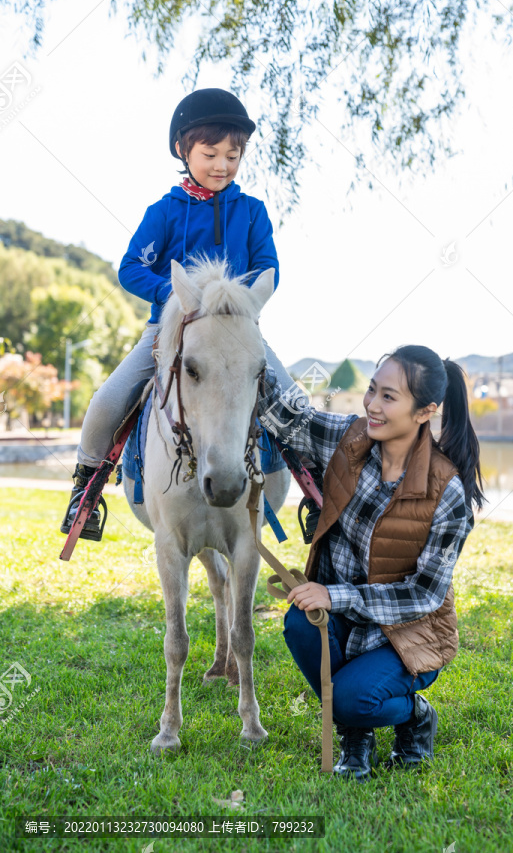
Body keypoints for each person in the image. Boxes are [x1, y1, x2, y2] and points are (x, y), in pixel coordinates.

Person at [60, 88, 293, 540]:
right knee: (108, 400)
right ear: (183, 150)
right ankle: (85, 495)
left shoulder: (253, 212)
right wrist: (175, 295)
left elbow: (270, 270)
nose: (222, 165)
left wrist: (238, 301)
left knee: (292, 401)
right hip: (167, 331)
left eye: (233, 154)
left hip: (238, 333)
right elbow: (131, 269)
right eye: (210, 153)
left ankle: (317, 485)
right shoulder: (164, 212)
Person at [257, 345, 487, 782]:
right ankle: (357, 737)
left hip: (409, 633)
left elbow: (424, 594)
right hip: (345, 616)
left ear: (425, 412)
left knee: (350, 699)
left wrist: (334, 595)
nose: (372, 406)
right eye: (371, 391)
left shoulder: (448, 493)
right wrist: (247, 348)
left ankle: (414, 715)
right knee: (298, 625)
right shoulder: (349, 439)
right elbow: (289, 419)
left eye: (389, 397)